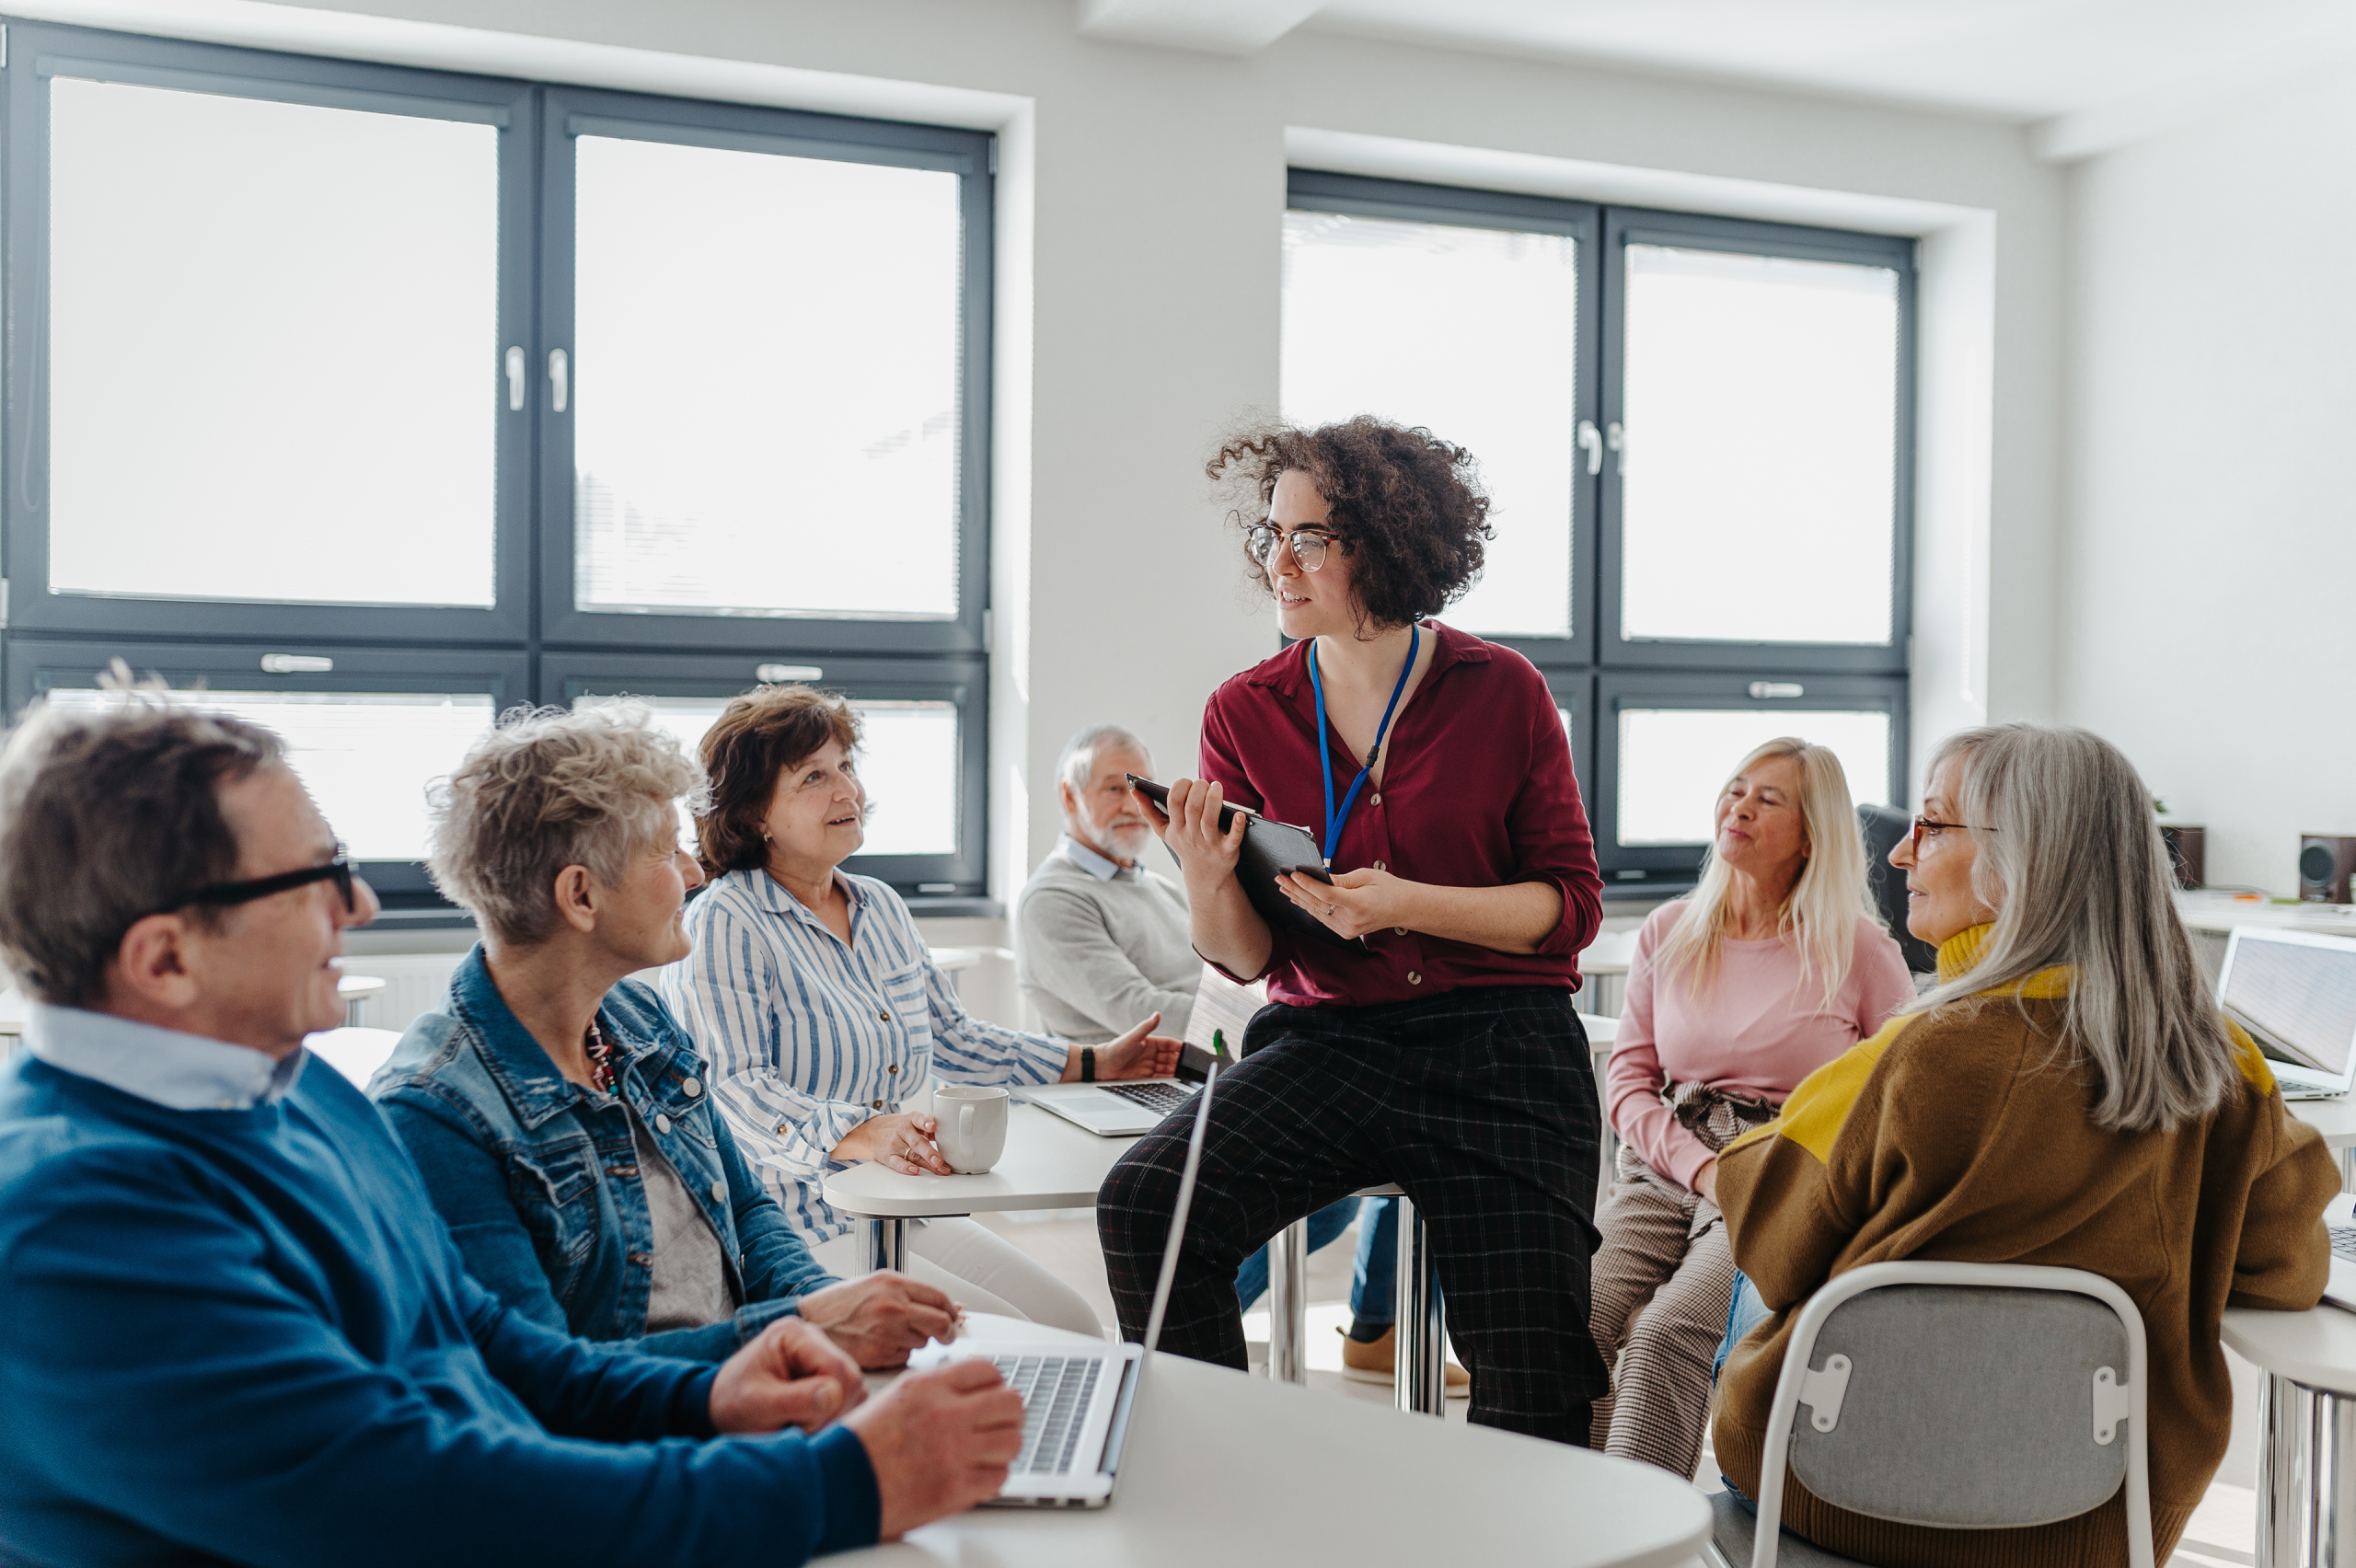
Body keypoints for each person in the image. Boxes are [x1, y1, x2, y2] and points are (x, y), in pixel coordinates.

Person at [0, 692, 1025, 1565]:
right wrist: (840, 1483)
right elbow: (406, 1502)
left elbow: (490, 1352)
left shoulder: (296, 1090)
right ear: (164, 959)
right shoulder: (70, 1224)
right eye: (311, 879)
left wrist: (705, 1401)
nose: (357, 904)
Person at [1713, 723, 2339, 1566]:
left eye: (1931, 826)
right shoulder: (2221, 1064)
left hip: (1834, 1493)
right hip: (2101, 1520)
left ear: (2019, 866)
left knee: (1747, 1293)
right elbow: (2288, 1269)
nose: (1900, 854)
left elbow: (1771, 1237)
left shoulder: (1909, 1056)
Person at [1098, 415, 1609, 1444]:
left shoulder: (1500, 690)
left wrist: (1403, 902)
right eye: (1267, 535)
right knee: (1144, 1207)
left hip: (1502, 1046)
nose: (1276, 563)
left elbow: (1569, 911)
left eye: (1308, 538)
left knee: (1533, 1374)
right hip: (1330, 1039)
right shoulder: (1243, 710)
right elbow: (1249, 956)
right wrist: (1206, 875)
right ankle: (1223, 1501)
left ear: (1383, 543)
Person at [371, 703, 956, 1367]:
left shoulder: (638, 1021)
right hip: (659, 1439)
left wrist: (824, 1310)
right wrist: (798, 1327)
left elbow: (749, 1210)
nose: (694, 872)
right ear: (581, 897)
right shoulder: (435, 1114)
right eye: (666, 849)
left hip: (751, 1380)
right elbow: (543, 1383)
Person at [661, 684, 1182, 1337]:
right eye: (813, 777)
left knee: (1073, 1324)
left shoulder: (878, 906)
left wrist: (1093, 1061)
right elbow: (734, 1092)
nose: (848, 791)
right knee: (1019, 1344)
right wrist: (865, 1133)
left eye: (846, 766)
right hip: (795, 1226)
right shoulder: (725, 921)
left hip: (905, 1207)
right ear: (754, 812)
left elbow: (954, 1038)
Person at [1586, 737, 1911, 1476]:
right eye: (1736, 790)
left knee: (1671, 1332)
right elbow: (1631, 1082)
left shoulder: (1859, 949)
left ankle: (1640, 1541)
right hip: (1670, 1158)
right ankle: (1579, 1519)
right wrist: (1701, 1170)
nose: (1740, 807)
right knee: (1581, 1310)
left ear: (1810, 837)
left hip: (1780, 1172)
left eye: (1769, 800)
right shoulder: (1671, 931)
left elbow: (1900, 1089)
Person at [1014, 721, 1358, 1327]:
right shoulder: (1053, 899)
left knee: (1380, 1150)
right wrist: (1267, 1011)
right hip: (1127, 1086)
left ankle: (1373, 1326)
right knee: (1331, 1187)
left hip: (1203, 1066)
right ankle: (1168, 1331)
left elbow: (1224, 978)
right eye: (1110, 791)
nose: (1130, 807)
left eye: (1137, 789)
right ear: (1068, 799)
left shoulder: (1154, 886)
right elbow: (1141, 1012)